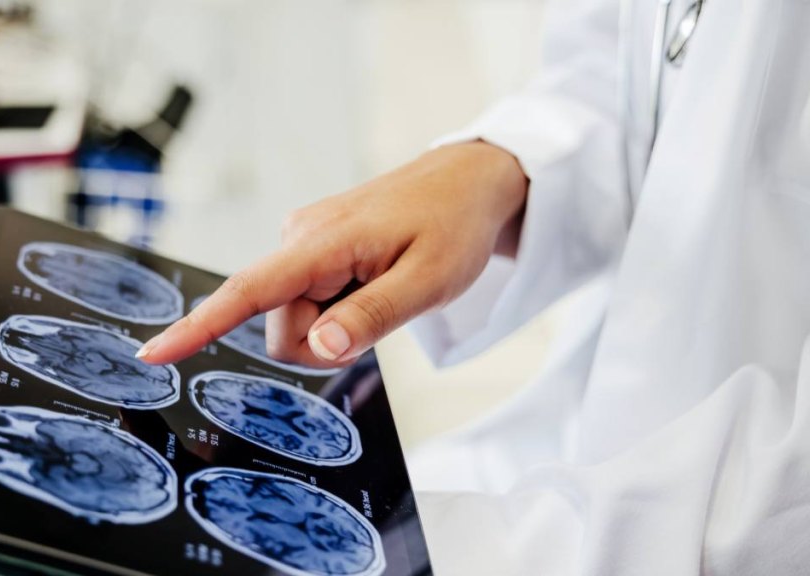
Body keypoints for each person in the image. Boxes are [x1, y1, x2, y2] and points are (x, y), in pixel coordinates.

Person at [139, 0, 810, 572]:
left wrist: (365, 547)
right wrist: (500, 166)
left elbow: (773, 510)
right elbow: (655, 63)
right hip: (585, 437)